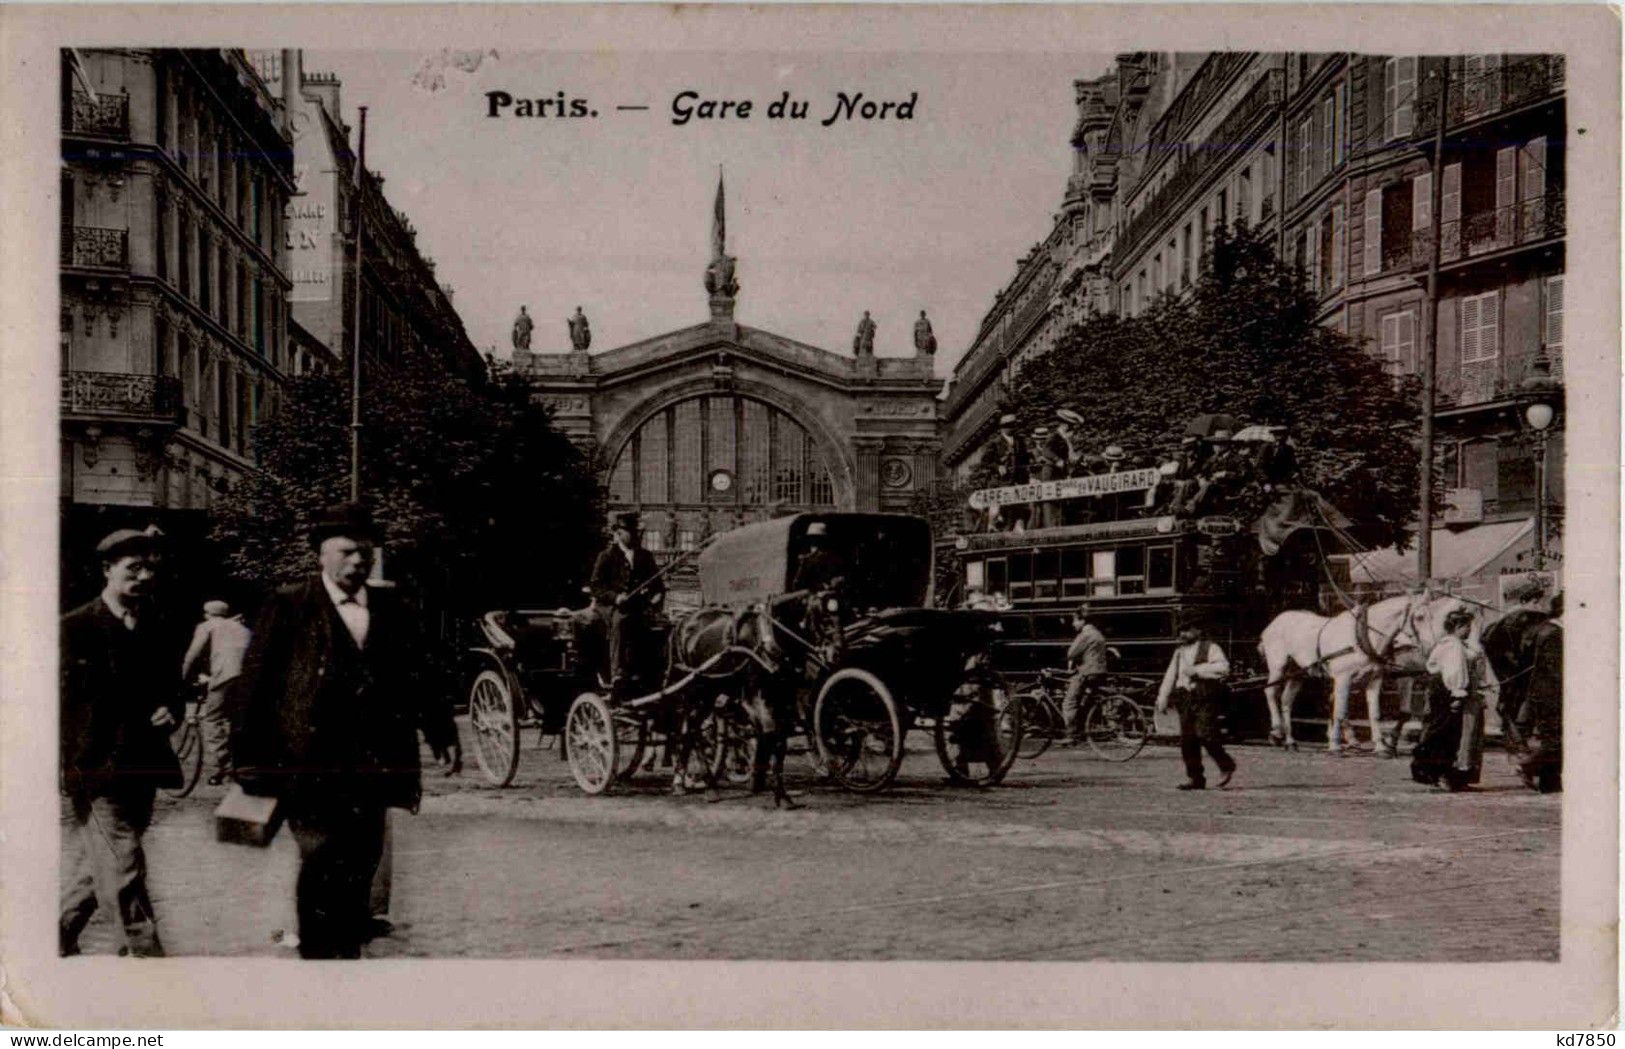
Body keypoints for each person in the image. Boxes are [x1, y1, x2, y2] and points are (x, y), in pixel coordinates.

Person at [231, 503, 461, 959]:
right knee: (320, 858)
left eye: (366, 553)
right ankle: (320, 958)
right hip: (307, 762)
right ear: (322, 554)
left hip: (374, 762)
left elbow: (419, 675)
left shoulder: (393, 607)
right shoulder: (289, 604)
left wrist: (441, 731)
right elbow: (254, 688)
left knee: (362, 860)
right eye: (348, 552)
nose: (358, 562)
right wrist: (249, 761)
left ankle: (346, 952)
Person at [60, 526, 185, 957]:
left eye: (151, 568)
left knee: (109, 862)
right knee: (124, 861)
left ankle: (56, 933)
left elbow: (173, 687)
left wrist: (172, 709)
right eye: (134, 568)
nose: (144, 577)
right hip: (94, 768)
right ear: (108, 569)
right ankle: (148, 962)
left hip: (144, 766)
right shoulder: (74, 628)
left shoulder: (159, 623)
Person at [1410, 608, 1490, 791]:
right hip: (1447, 691)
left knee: (1449, 734)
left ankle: (1448, 776)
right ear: (1459, 627)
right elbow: (1454, 671)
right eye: (1467, 627)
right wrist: (1457, 693)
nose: (1469, 631)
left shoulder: (1454, 644)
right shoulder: (1452, 645)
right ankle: (1440, 775)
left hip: (1445, 690)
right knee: (1446, 734)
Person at [1155, 614, 1236, 790]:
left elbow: (1223, 668)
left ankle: (1226, 765)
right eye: (1181, 630)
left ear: (1198, 631)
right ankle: (1196, 778)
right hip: (1185, 698)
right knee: (1188, 740)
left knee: (1205, 733)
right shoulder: (1179, 653)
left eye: (1187, 630)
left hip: (1205, 697)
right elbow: (1170, 675)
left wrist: (1198, 670)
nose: (1183, 634)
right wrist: (1162, 697)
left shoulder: (1211, 648)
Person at [589, 512, 665, 695]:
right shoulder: (606, 556)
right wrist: (616, 597)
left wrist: (656, 599)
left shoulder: (645, 556)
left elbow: (658, 587)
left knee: (661, 627)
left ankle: (655, 671)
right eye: (632, 532)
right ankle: (617, 673)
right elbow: (596, 587)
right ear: (620, 533)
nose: (637, 535)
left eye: (637, 532)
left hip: (638, 606)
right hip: (609, 607)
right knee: (621, 621)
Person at [180, 599, 252, 785]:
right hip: (248, 678)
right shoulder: (242, 628)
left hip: (225, 676)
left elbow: (192, 654)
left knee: (212, 719)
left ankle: (227, 767)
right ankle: (241, 766)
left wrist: (181, 679)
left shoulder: (207, 625)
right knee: (237, 722)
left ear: (207, 613)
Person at [1516, 592, 1562, 793]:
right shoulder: (1553, 633)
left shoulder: (1544, 630)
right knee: (1556, 739)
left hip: (1543, 693)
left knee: (1552, 738)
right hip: (1551, 694)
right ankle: (1528, 765)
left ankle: (1549, 782)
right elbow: (1555, 669)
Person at [1059, 603, 1108, 746]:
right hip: (1099, 672)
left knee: (1069, 702)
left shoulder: (1085, 634)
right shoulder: (1098, 633)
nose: (1073, 624)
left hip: (1087, 672)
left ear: (1082, 621)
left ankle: (1071, 735)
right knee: (1083, 701)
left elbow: (1071, 653)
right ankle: (1082, 728)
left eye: (1075, 620)